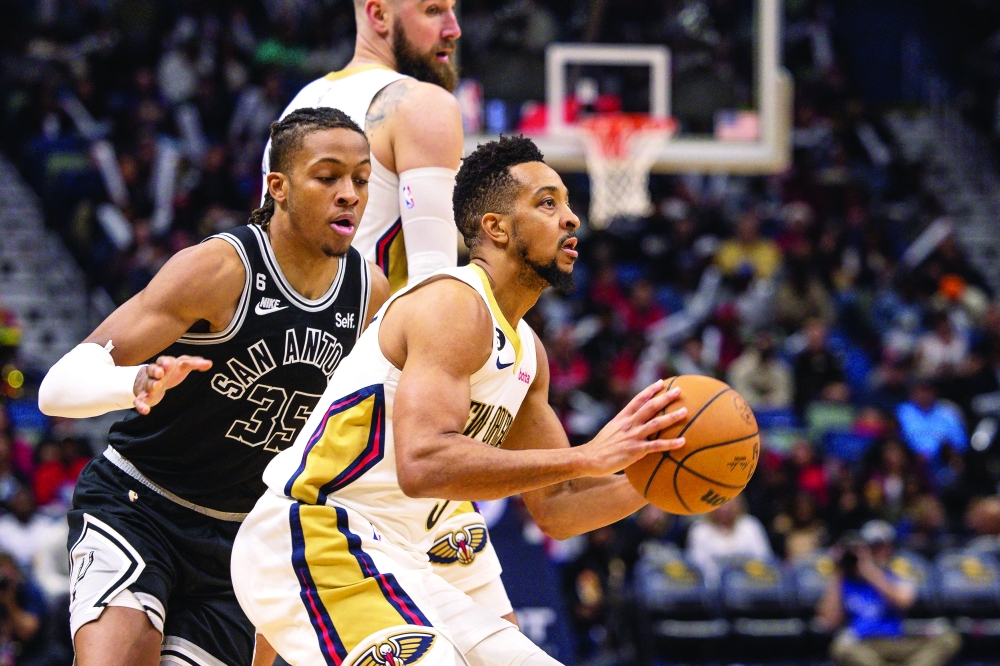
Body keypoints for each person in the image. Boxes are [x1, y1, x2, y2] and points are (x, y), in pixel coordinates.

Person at [231, 136, 689, 666]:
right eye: (547, 203)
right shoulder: (453, 304)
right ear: (495, 227)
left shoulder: (528, 353)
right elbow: (423, 464)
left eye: (566, 203)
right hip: (316, 533)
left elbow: (559, 509)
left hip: (403, 559)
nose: (571, 219)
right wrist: (590, 455)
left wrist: (661, 478)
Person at [37, 107, 390, 666]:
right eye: (328, 177)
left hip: (245, 540)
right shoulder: (221, 269)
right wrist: (137, 381)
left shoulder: (369, 292)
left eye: (361, 179)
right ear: (278, 187)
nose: (349, 193)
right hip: (140, 507)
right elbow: (55, 388)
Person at [264, 0, 517, 633]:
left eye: (455, 10)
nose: (454, 29)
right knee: (491, 636)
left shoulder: (300, 108)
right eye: (433, 10)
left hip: (299, 397)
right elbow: (436, 297)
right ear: (378, 13)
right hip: (381, 418)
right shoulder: (422, 103)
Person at [817, 521, 961, 666]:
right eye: (874, 547)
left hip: (896, 642)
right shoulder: (845, 582)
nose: (882, 550)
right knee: (840, 647)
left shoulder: (894, 574)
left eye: (885, 545)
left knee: (949, 638)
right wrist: (838, 571)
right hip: (863, 646)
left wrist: (868, 570)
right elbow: (829, 621)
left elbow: (904, 602)